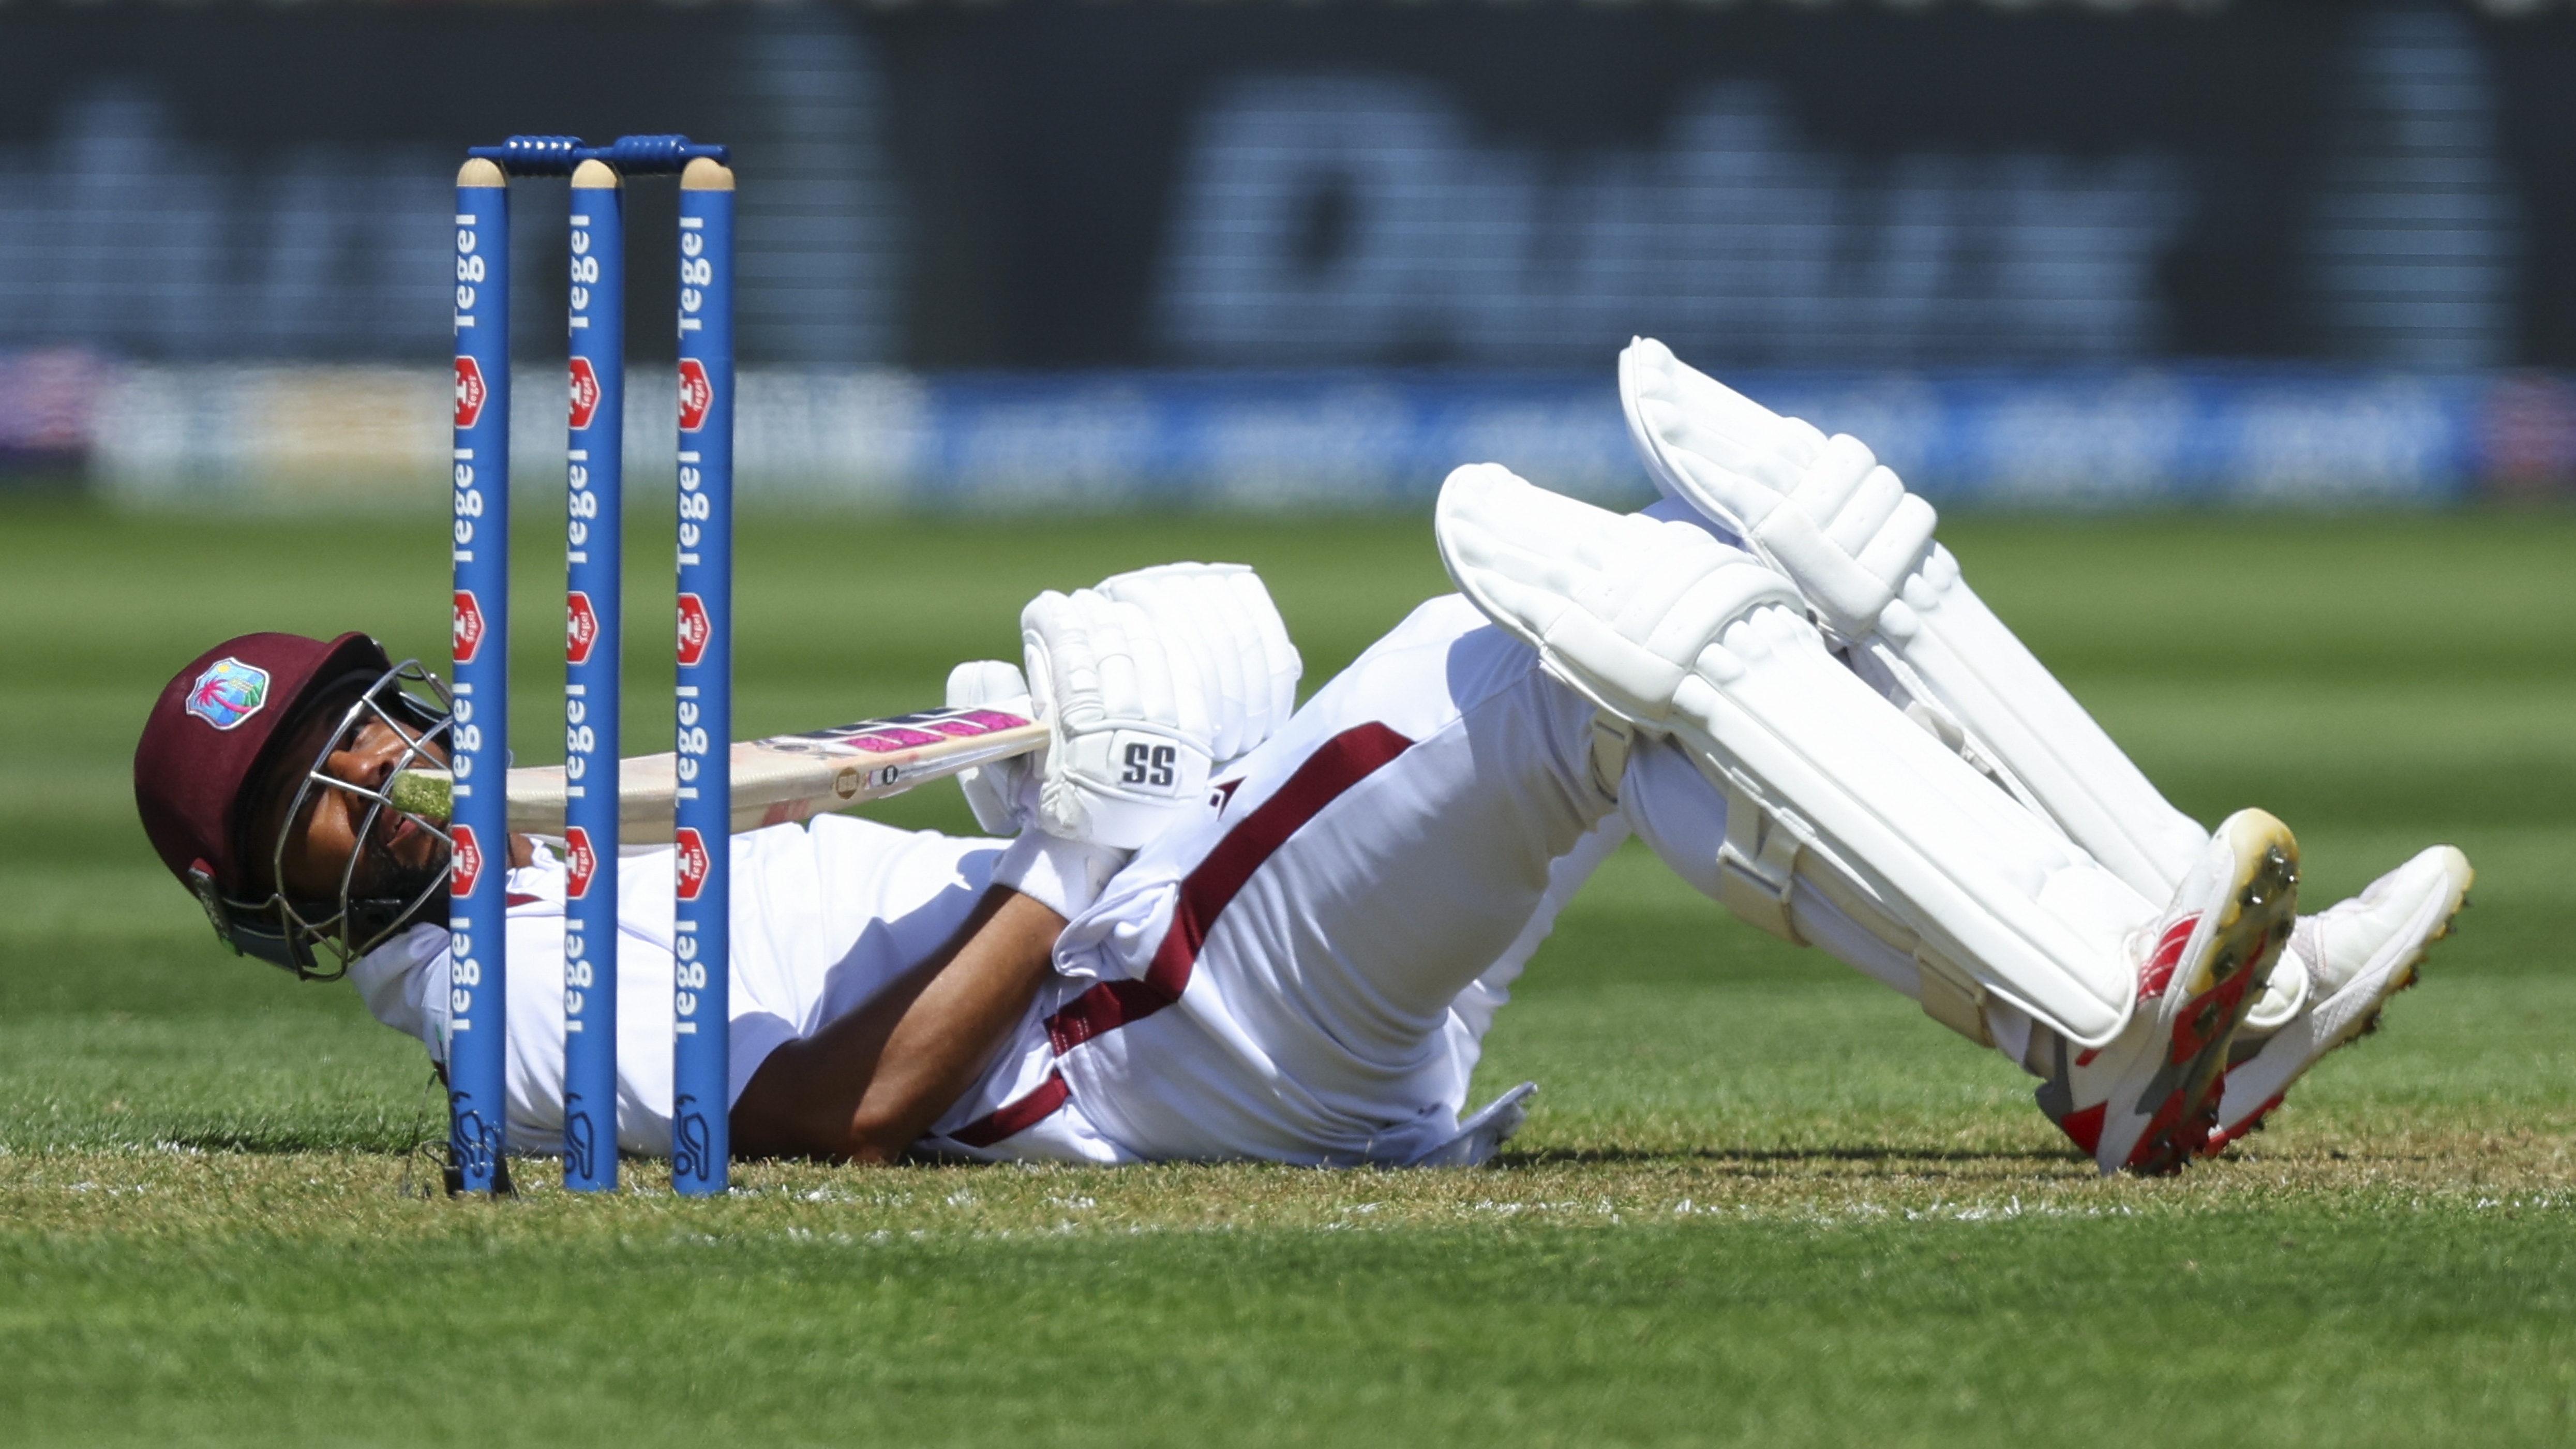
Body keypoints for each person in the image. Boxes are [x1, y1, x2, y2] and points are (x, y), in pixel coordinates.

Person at [131, 341, 2471, 1178]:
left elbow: (851, 907)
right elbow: (840, 1120)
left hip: (1133, 986)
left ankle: (2153, 994)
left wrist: (1004, 789)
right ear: (278, 903)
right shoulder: (497, 1019)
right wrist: (1084, 856)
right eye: (326, 803)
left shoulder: (562, 844)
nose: (395, 778)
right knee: (1549, 626)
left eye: (378, 731)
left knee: (1640, 673)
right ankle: (2117, 1007)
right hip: (1114, 1061)